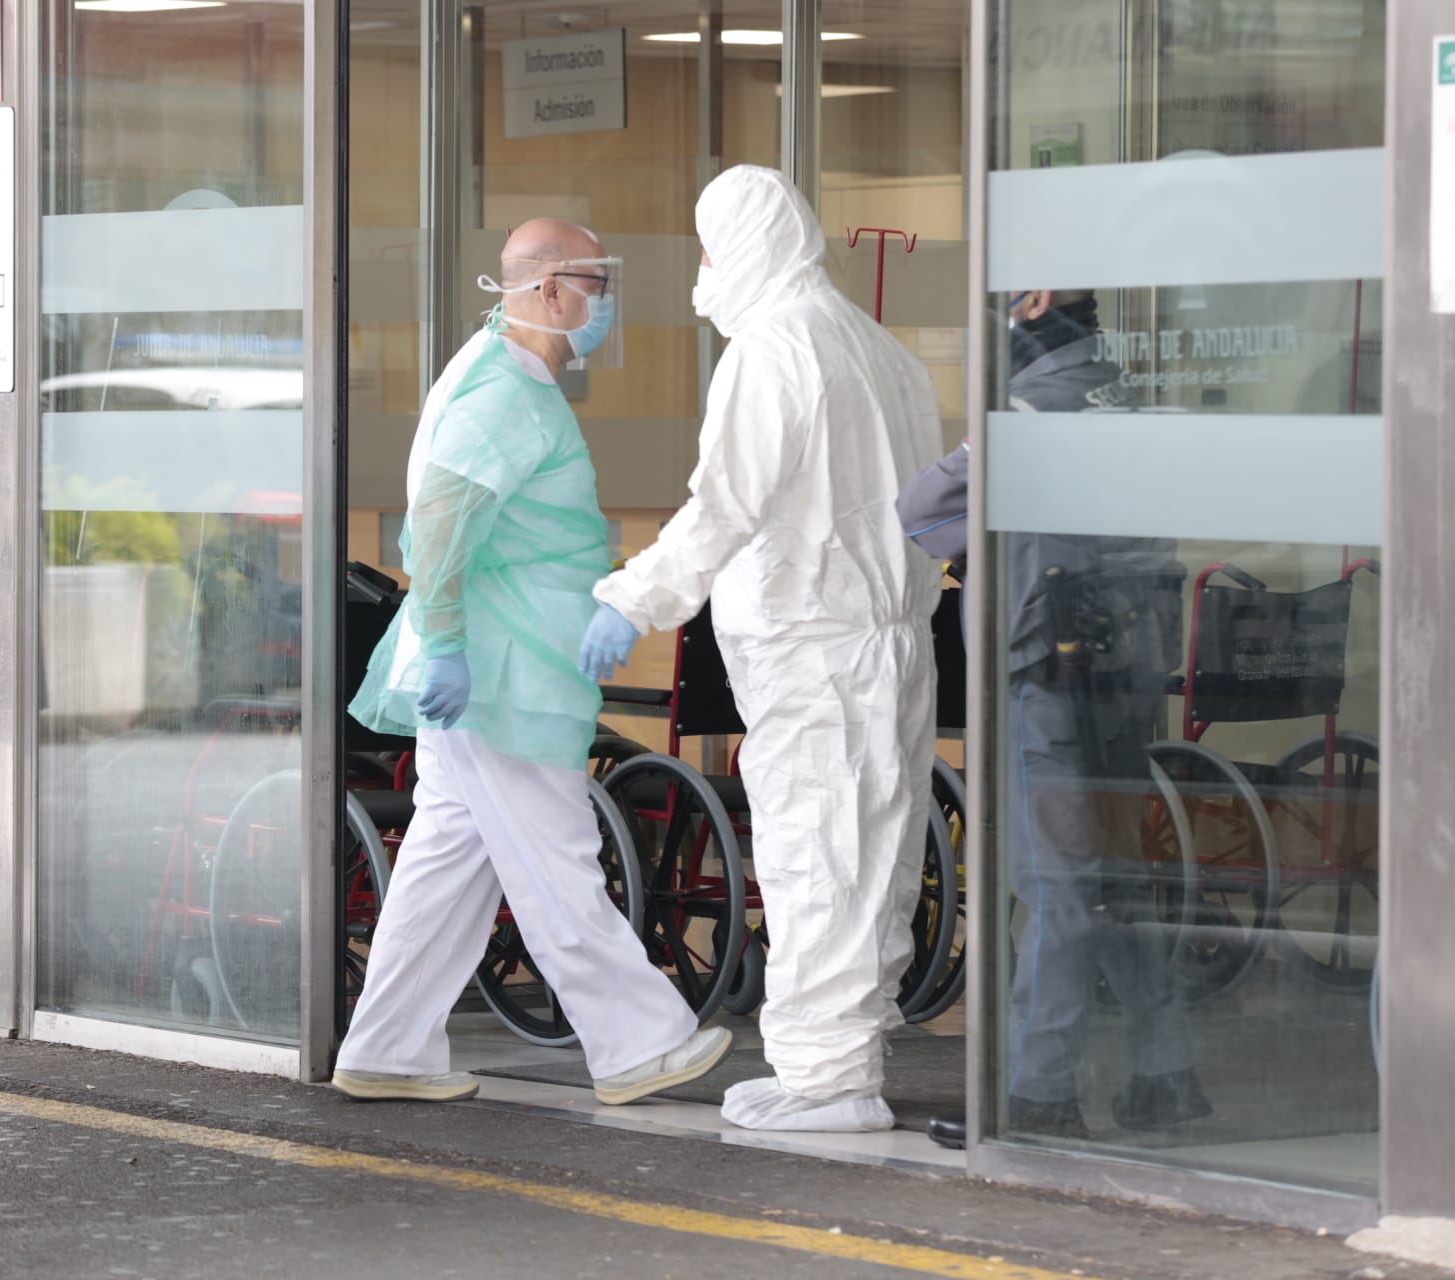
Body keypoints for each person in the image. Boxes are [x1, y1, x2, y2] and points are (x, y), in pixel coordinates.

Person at [579, 166, 941, 1133]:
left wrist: (632, 598)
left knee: (821, 852)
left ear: (742, 243)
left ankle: (829, 1081)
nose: (702, 266)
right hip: (887, 643)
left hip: (815, 647)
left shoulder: (776, 347)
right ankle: (838, 1065)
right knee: (874, 860)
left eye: (706, 243)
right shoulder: (878, 348)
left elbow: (724, 507)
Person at [338, 218, 732, 1104]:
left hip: (495, 665)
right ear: (550, 290)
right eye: (597, 283)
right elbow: (440, 520)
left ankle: (388, 1050)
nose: (606, 303)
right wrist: (442, 645)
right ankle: (638, 1044)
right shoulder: (506, 393)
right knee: (557, 859)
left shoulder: (498, 373)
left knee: (445, 867)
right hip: (500, 674)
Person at [898, 289, 1207, 1148]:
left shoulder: (1028, 415)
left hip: (1046, 686)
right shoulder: (1128, 398)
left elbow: (921, 511)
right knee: (1113, 883)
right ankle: (1164, 1072)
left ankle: (1032, 1092)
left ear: (1030, 303)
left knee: (1057, 886)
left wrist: (980, 440)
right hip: (1126, 680)